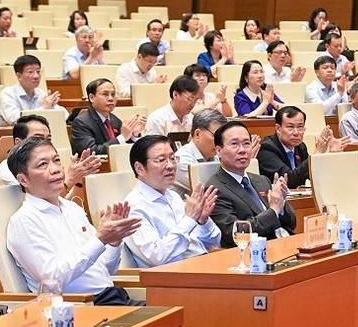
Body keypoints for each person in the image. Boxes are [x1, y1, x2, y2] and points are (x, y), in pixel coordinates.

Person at [6, 136, 143, 305]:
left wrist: (114, 242)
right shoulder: (25, 221)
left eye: (57, 160)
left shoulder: (72, 209)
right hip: (81, 306)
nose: (55, 169)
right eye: (43, 164)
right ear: (23, 180)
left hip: (113, 295)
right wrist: (99, 240)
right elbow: (51, 280)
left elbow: (105, 270)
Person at [123, 135, 221, 268]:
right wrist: (189, 220)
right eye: (161, 160)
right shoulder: (134, 207)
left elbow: (213, 243)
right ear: (139, 168)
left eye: (173, 158)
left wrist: (202, 221)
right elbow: (157, 257)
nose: (170, 166)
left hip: (201, 265)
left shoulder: (173, 196)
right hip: (173, 275)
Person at [207, 121, 296, 247]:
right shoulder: (214, 189)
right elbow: (235, 234)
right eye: (234, 144)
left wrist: (281, 206)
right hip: (253, 252)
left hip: (283, 244)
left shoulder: (262, 180)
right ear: (218, 150)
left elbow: (292, 223)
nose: (242, 150)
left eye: (246, 143)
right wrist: (274, 210)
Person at [0, 115, 101, 202]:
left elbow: (65, 204)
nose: (44, 143)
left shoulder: (50, 165)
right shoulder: (6, 171)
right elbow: (40, 206)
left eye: (48, 139)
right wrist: (70, 180)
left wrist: (78, 182)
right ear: (18, 142)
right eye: (37, 138)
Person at [257, 106, 346, 190]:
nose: (296, 133)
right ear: (278, 128)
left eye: (300, 127)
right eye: (290, 127)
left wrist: (331, 154)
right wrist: (316, 154)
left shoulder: (300, 146)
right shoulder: (267, 148)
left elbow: (315, 176)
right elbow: (289, 181)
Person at [71, 78, 145, 155]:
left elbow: (124, 143)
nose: (110, 98)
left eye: (113, 94)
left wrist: (134, 134)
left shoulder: (114, 120)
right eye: (105, 94)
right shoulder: (81, 122)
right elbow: (90, 151)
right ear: (92, 98)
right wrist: (123, 137)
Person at [0, 54, 65, 126]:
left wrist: (54, 107)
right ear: (19, 76)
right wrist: (43, 108)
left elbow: (63, 115)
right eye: (30, 72)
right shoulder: (7, 94)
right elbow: (13, 120)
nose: (36, 76)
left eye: (38, 71)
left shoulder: (41, 94)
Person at [172, 109, 229, 196]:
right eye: (216, 136)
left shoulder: (215, 155)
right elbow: (213, 192)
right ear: (198, 134)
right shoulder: (184, 160)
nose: (221, 142)